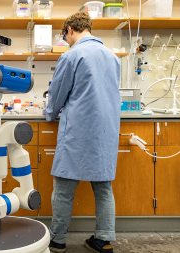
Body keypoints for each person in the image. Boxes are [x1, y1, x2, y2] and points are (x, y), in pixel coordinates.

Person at [46, 12, 121, 253]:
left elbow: (57, 94)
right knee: (103, 188)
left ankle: (57, 240)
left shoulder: (72, 55)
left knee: (64, 187)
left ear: (69, 29)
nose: (65, 40)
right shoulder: (113, 57)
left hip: (79, 129)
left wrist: (49, 113)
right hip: (106, 130)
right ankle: (103, 239)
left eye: (64, 35)